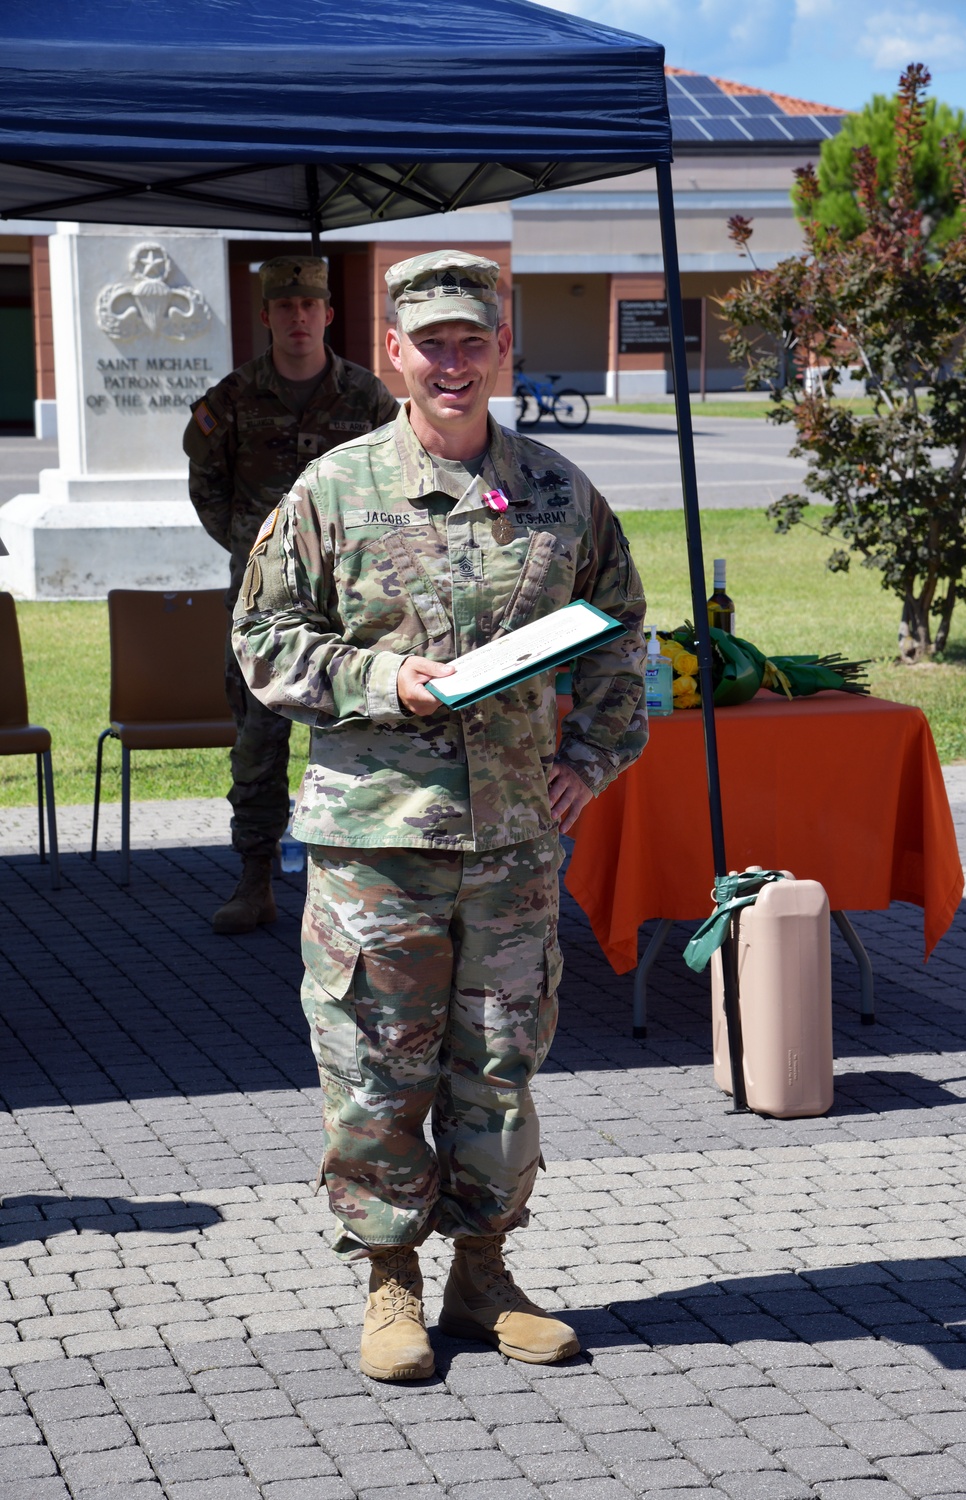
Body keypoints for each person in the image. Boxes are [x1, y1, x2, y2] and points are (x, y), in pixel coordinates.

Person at [232, 249, 647, 1382]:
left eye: (474, 340)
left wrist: (591, 759)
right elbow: (262, 643)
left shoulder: (561, 493)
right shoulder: (333, 489)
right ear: (394, 353)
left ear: (501, 349)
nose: (453, 362)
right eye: (432, 343)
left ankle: (483, 1273)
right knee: (376, 1072)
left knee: (500, 1069)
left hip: (512, 844)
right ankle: (388, 1283)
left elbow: (619, 630)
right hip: (378, 844)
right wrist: (385, 683)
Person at [183, 255, 398, 934]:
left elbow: (399, 483)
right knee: (258, 738)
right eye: (285, 307)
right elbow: (206, 485)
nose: (297, 318)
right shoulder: (234, 397)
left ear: (328, 314)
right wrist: (255, 553)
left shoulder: (369, 399)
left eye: (309, 306)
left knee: (358, 734)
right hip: (263, 606)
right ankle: (255, 879)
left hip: (352, 603)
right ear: (267, 315)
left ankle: (363, 879)